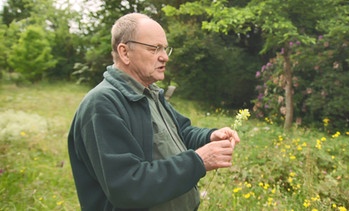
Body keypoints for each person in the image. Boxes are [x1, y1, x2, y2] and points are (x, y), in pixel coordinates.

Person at [68, 12, 240, 211]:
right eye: (154, 48)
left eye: (165, 49)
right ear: (124, 52)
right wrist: (199, 161)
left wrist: (210, 136)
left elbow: (181, 133)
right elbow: (127, 187)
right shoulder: (102, 104)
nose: (164, 57)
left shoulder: (150, 93)